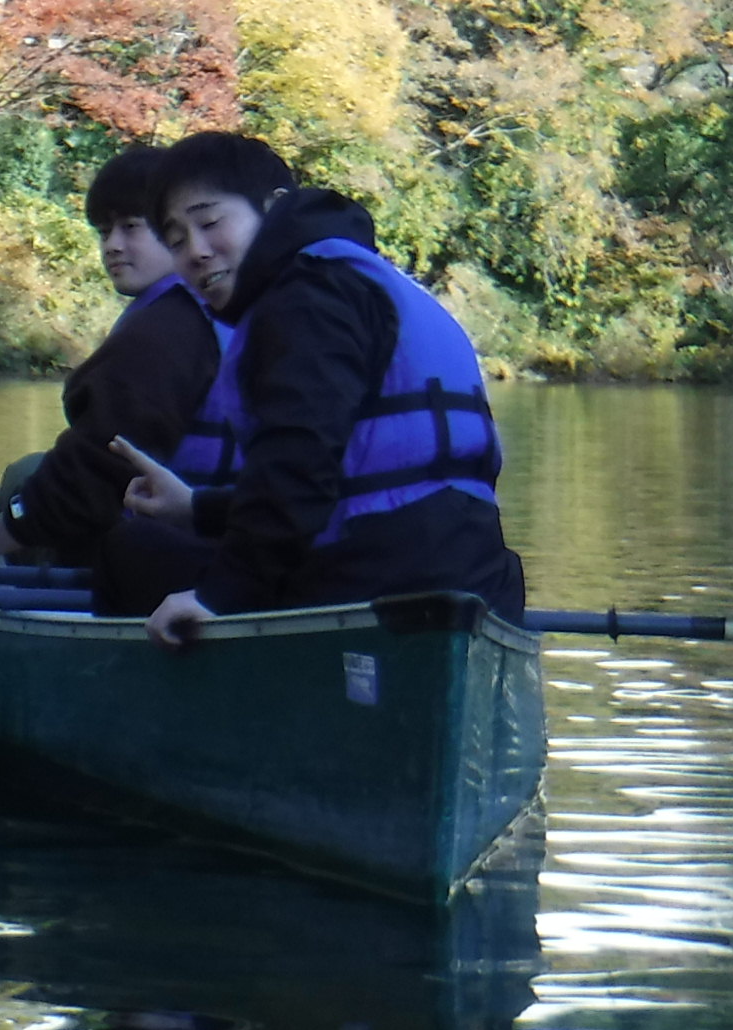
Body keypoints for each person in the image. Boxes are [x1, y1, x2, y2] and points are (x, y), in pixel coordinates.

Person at [113, 130, 525, 648]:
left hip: (375, 579)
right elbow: (333, 476)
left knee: (133, 550)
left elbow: (299, 459)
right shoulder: (357, 275)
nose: (196, 251)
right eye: (175, 241)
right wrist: (199, 509)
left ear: (273, 207)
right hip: (475, 574)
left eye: (211, 222)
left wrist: (218, 597)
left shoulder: (307, 296)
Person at [0, 142, 220, 614]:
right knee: (27, 472)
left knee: (31, 482)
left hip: (163, 554)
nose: (112, 246)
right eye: (104, 231)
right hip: (205, 539)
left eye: (131, 227)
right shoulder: (212, 310)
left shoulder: (161, 333)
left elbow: (84, 484)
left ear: (174, 230)